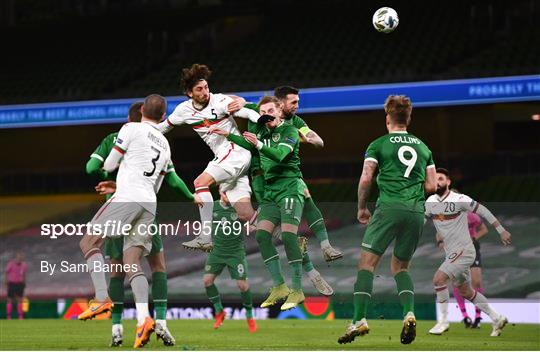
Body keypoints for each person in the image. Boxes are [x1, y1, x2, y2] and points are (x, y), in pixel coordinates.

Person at [85, 100, 199, 346]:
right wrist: (192, 197)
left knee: (91, 245)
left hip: (125, 200)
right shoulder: (165, 143)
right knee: (139, 264)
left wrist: (109, 179)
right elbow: (167, 182)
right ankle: (146, 320)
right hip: (149, 204)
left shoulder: (126, 131)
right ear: (162, 115)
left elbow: (101, 166)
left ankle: (104, 303)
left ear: (137, 115)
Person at [338, 95, 437, 345]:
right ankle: (409, 312)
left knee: (367, 265)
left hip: (388, 208)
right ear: (409, 118)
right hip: (416, 211)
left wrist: (361, 207)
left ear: (387, 118)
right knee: (401, 267)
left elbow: (366, 178)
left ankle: (359, 319)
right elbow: (432, 185)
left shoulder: (378, 145)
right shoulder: (423, 147)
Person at [210, 96, 307, 311]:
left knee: (290, 235)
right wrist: (228, 135)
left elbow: (281, 155)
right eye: (264, 114)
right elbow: (251, 145)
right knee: (262, 235)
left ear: (280, 110)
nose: (268, 117)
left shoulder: (289, 131)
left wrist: (259, 143)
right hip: (271, 191)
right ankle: (279, 286)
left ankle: (298, 290)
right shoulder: (263, 131)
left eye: (271, 111)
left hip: (290, 187)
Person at [158, 64, 267, 252]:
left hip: (235, 151)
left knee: (200, 182)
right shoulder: (183, 110)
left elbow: (246, 112)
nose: (205, 92)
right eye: (199, 89)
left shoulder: (220, 101)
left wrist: (260, 120)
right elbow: (164, 127)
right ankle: (289, 237)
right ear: (189, 93)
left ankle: (205, 237)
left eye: (206, 87)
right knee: (246, 213)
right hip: (229, 160)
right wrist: (142, 129)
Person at [427, 168, 511, 337]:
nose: (437, 182)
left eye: (441, 178)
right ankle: (497, 318)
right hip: (451, 253)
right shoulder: (430, 202)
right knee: (466, 291)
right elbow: (419, 220)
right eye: (434, 179)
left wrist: (501, 230)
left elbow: (484, 211)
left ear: (448, 182)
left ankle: (443, 322)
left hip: (464, 250)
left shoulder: (460, 199)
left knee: (438, 279)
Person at [273, 86, 342, 262]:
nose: (297, 105)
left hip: (290, 175)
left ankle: (325, 247)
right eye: (293, 102)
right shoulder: (264, 118)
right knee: (258, 223)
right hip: (266, 177)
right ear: (280, 103)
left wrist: (303, 137)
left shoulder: (296, 122)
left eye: (298, 102)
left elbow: (318, 141)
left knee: (306, 197)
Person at [203, 193, 257, 333]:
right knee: (207, 281)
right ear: (221, 192)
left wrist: (252, 225)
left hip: (235, 252)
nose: (228, 195)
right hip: (217, 251)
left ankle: (250, 316)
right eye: (225, 192)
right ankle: (219, 311)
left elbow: (252, 218)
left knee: (242, 285)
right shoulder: (212, 206)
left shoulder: (238, 207)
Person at [448, 210, 488, 328]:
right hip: (456, 251)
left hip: (472, 250)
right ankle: (465, 316)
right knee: (457, 283)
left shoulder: (471, 216)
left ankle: (477, 317)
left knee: (477, 282)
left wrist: (473, 237)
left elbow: (484, 229)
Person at [5, 252, 27, 320]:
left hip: (19, 284)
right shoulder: (11, 264)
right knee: (9, 299)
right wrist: (6, 281)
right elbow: (6, 272)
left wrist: (24, 282)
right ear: (16, 257)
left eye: (21, 257)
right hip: (12, 283)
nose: (19, 258)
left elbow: (24, 274)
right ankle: (8, 316)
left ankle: (20, 316)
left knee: (20, 300)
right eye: (18, 257)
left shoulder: (24, 265)